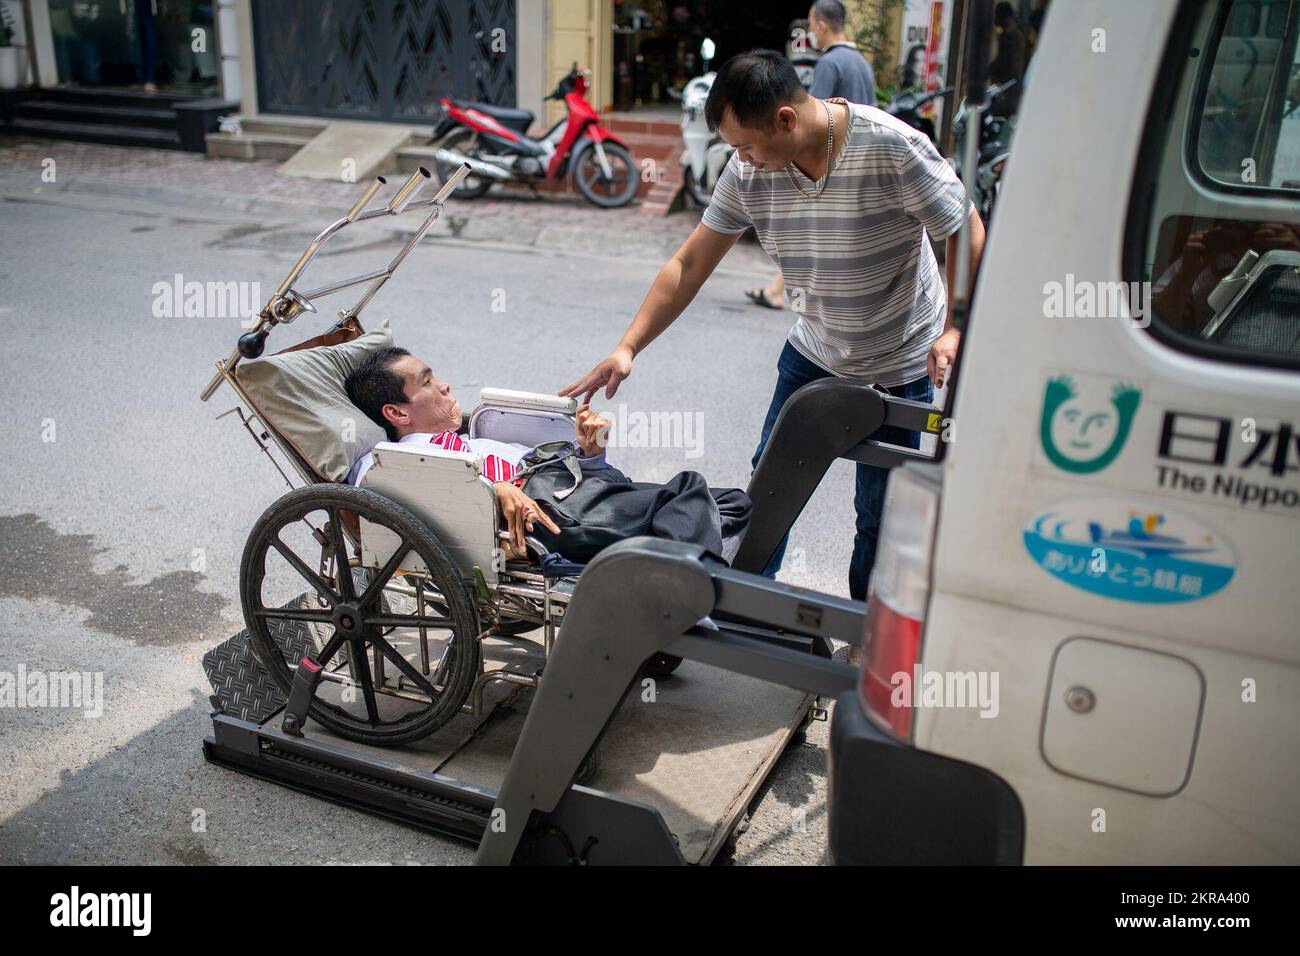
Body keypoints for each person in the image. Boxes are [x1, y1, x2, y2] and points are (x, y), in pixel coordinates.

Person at [561, 50, 984, 600]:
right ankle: (751, 611)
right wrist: (628, 347)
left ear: (786, 119)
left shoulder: (891, 148)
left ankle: (864, 636)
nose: (741, 158)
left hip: (900, 355)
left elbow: (965, 230)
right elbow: (689, 263)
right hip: (813, 349)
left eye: (745, 144)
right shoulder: (748, 173)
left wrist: (954, 328)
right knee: (769, 491)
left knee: (883, 515)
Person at [345, 347, 750, 564]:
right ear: (397, 413)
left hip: (576, 489)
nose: (446, 385)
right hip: (543, 513)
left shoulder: (478, 440)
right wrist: (492, 490)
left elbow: (575, 474)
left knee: (732, 501)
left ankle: (667, 566)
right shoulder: (389, 461)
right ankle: (690, 583)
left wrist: (590, 455)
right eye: (428, 383)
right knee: (687, 490)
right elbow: (391, 496)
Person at [746, 0, 877, 312]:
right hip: (858, 160)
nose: (810, 33)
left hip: (830, 163)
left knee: (806, 232)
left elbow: (809, 119)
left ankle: (781, 292)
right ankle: (782, 290)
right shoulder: (861, 63)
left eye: (810, 24)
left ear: (821, 25)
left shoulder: (830, 64)